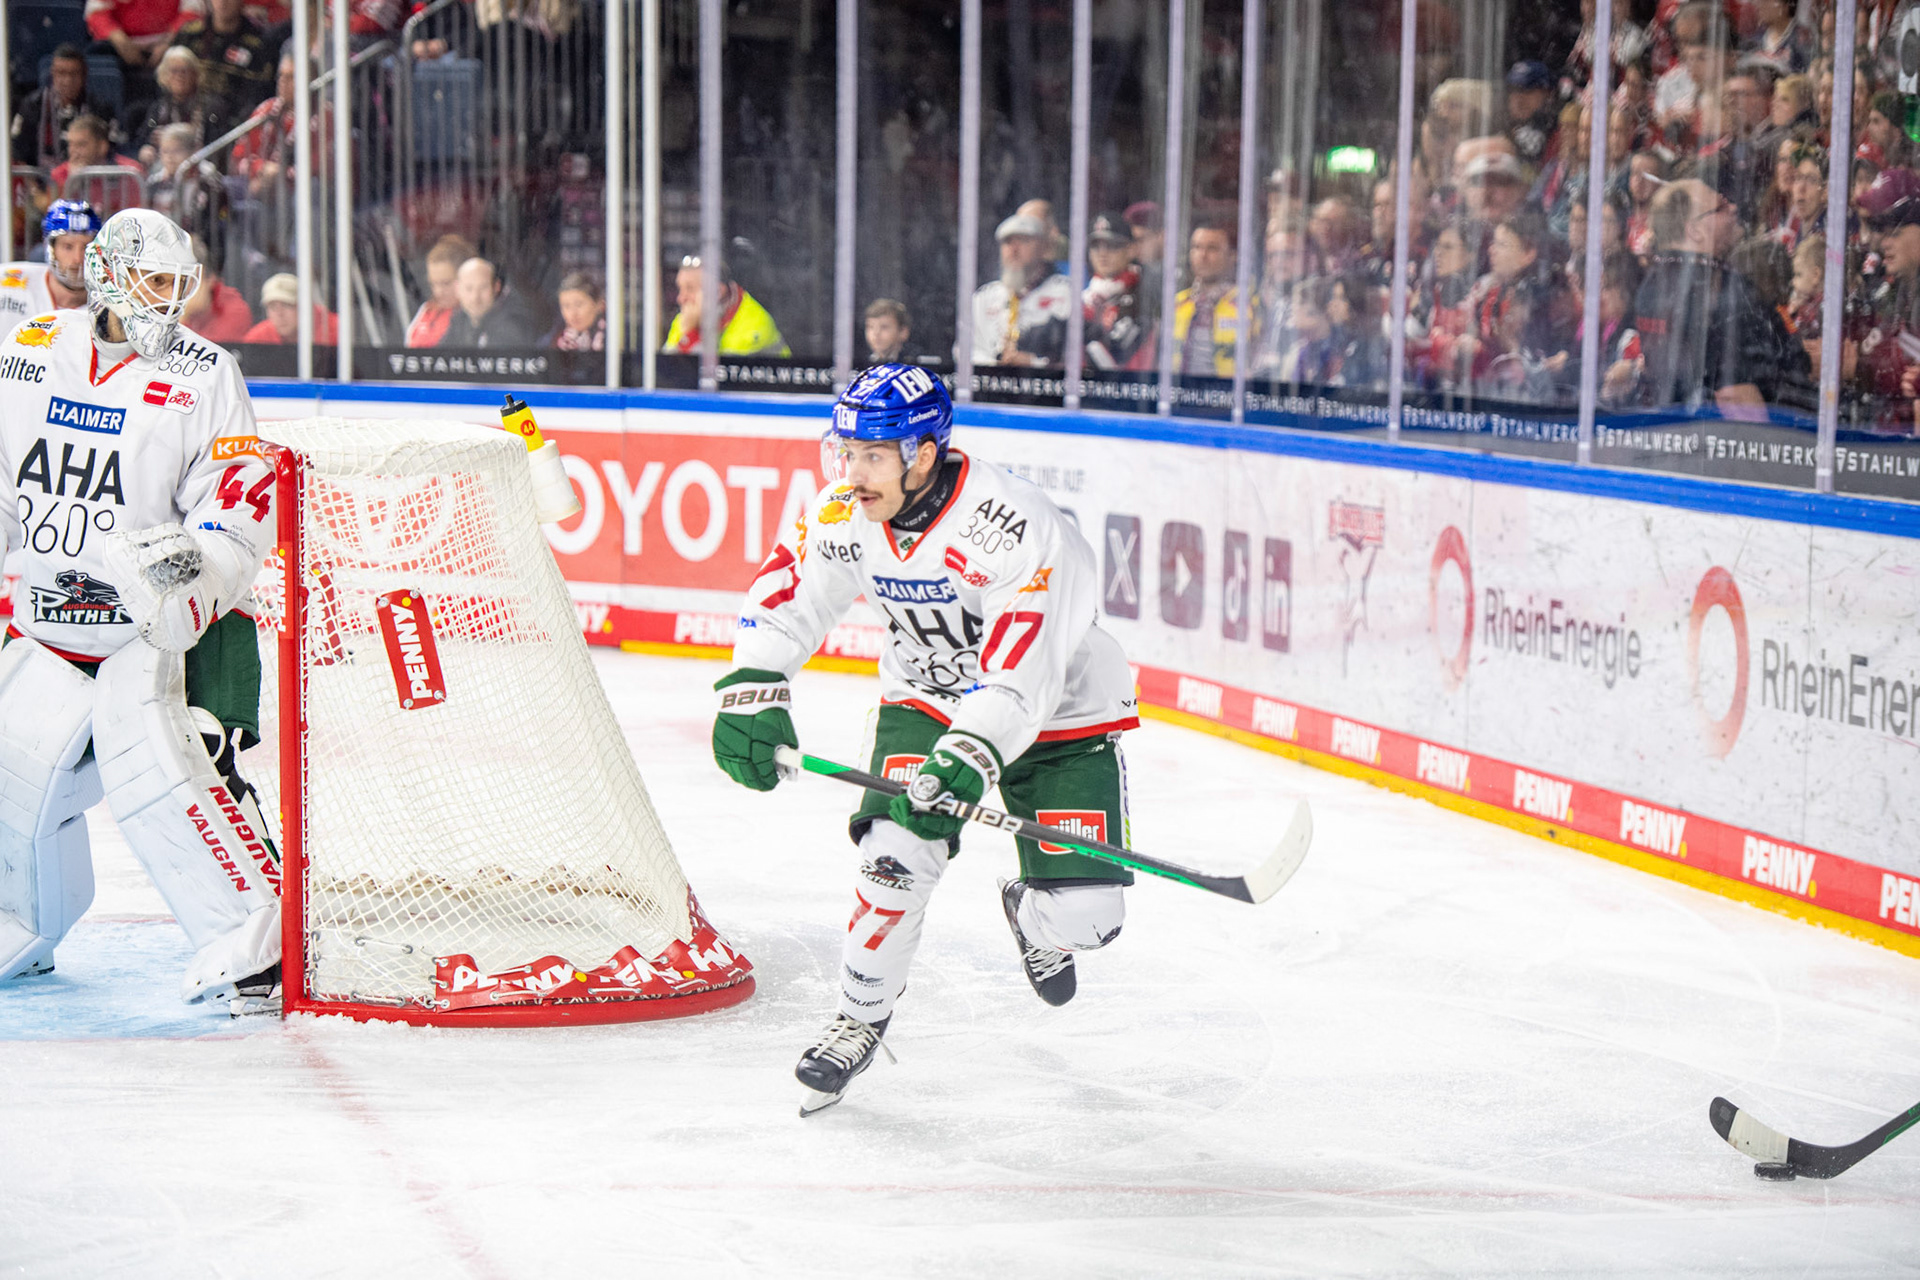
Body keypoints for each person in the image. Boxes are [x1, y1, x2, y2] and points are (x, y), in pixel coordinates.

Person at [710, 363, 1139, 1112]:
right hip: (928, 698)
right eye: (845, 451)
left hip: (1059, 711)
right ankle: (857, 1018)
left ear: (924, 454)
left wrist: (968, 758)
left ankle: (1029, 914)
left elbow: (1020, 676)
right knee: (893, 860)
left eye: (873, 454)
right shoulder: (845, 507)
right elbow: (790, 597)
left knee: (1089, 918)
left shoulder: (1015, 526)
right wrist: (754, 686)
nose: (852, 471)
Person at [0, 207, 283, 1011]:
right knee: (14, 778)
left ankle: (257, 938)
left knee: (178, 773)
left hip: (166, 630)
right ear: (110, 277)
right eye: (156, 281)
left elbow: (239, 495)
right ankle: (20, 922)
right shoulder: (30, 354)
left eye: (178, 284)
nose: (172, 301)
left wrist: (203, 562)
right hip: (53, 624)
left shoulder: (206, 371)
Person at [1625, 177, 1805, 417]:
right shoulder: (1720, 289)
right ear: (1695, 230)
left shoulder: (1651, 285)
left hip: (1675, 434)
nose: (1734, 208)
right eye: (1720, 207)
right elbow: (1737, 397)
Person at [968, 212, 1072, 367]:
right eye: (1007, 242)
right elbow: (964, 351)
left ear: (1043, 248)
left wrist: (1033, 363)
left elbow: (1072, 357)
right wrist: (997, 366)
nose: (1014, 249)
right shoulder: (983, 297)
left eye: (1023, 241)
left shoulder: (1066, 292)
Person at [170, 0, 278, 138]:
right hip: (185, 119)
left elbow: (259, 96)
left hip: (232, 128)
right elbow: (167, 81)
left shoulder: (260, 43)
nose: (223, 3)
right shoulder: (188, 35)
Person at [9, 46, 120, 172]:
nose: (67, 80)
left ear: (84, 75)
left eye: (74, 74)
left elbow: (111, 151)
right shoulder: (32, 105)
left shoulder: (100, 108)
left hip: (89, 181)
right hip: (42, 183)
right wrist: (35, 190)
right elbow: (18, 152)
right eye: (61, 73)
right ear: (53, 74)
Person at [663, 255, 790, 357]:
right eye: (680, 289)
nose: (681, 298)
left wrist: (691, 335)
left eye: (690, 289)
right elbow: (667, 374)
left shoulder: (752, 325)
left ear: (717, 292)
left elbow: (712, 381)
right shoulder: (688, 318)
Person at [0, 201, 101, 327]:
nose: (78, 258)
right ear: (50, 248)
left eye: (86, 248)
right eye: (68, 247)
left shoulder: (109, 305)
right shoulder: (8, 283)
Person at [1081, 212, 1152, 371]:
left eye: (1112, 245)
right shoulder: (1084, 297)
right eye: (1095, 246)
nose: (1102, 253)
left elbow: (1113, 358)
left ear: (1132, 249)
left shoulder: (1144, 295)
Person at [1170, 223, 1239, 377]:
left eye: (1212, 248)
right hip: (1180, 393)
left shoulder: (1247, 305)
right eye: (1197, 247)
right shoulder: (1177, 303)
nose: (1203, 255)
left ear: (1232, 255)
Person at [49, 116, 147, 215]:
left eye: (81, 145)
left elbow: (138, 214)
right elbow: (54, 218)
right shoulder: (60, 174)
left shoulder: (130, 171)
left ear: (102, 146)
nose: (73, 151)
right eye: (71, 144)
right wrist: (71, 184)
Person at [440, 256, 537, 348]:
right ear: (457, 289)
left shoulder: (511, 327)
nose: (475, 297)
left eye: (483, 288)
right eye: (469, 288)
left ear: (496, 287)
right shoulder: (459, 320)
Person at [404, 235, 474, 348]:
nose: (438, 292)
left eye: (446, 283)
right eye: (433, 284)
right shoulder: (426, 310)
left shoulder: (477, 318)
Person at [180, 235, 253, 344]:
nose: (180, 287)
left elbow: (211, 354)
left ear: (210, 279)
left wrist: (183, 318)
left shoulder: (235, 310)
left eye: (189, 279)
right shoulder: (160, 300)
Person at [241, 272, 339, 343]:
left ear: (306, 308)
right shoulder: (258, 339)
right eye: (272, 307)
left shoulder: (337, 330)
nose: (279, 314)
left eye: (287, 305)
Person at [549, 271, 606, 351]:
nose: (573, 313)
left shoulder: (612, 338)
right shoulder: (554, 340)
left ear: (599, 305)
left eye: (579, 304)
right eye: (566, 306)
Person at [863, 298, 925, 364]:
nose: (876, 333)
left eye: (884, 327)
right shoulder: (860, 366)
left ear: (903, 332)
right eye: (870, 327)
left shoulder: (916, 364)